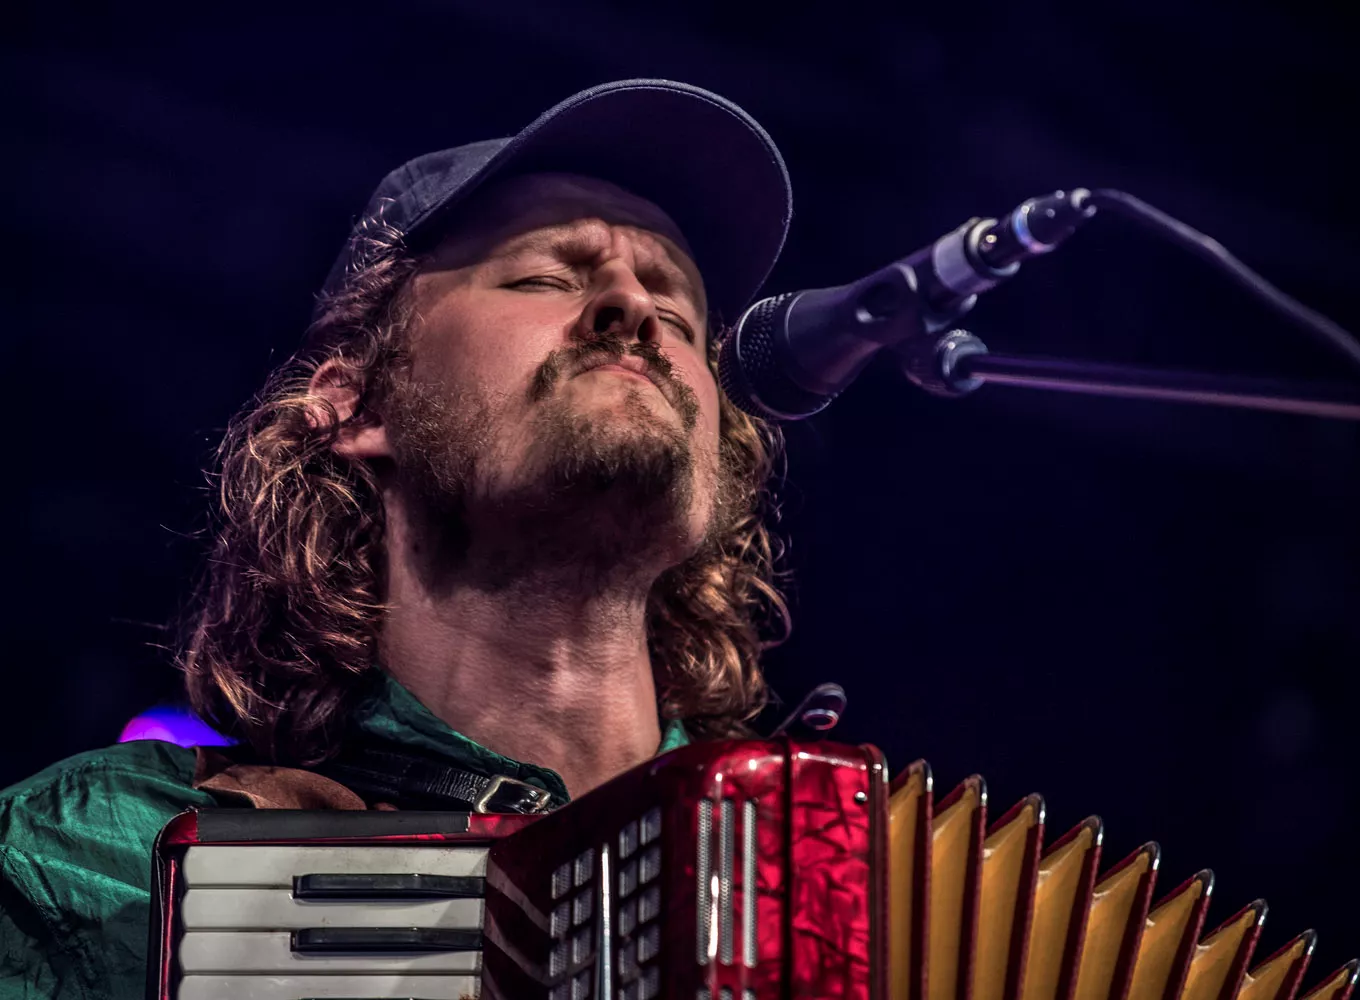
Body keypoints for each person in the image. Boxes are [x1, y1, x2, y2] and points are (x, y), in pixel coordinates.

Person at [0, 79, 795, 999]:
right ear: (358, 403)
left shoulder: (821, 879)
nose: (633, 307)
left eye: (680, 313)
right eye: (546, 277)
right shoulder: (91, 862)